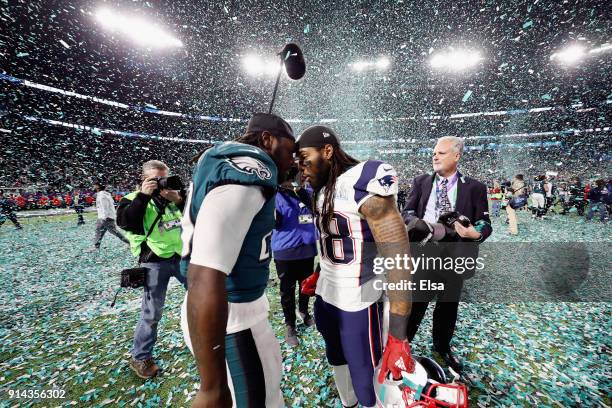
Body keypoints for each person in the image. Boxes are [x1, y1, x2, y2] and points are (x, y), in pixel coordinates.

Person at [180, 113, 296, 408]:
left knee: (270, 396)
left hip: (228, 311)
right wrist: (211, 387)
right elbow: (204, 273)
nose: (293, 160)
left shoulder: (231, 162)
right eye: (290, 149)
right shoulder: (252, 168)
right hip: (232, 317)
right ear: (267, 140)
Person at [297, 126, 415, 408]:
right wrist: (320, 272)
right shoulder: (321, 188)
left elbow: (397, 252)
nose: (301, 167)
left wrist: (398, 333)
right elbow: (336, 238)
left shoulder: (363, 179)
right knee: (336, 357)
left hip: (357, 300)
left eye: (304, 158)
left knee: (367, 376)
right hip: (326, 296)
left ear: (327, 151)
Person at [402, 136, 492, 373]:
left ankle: (442, 346)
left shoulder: (475, 188)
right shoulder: (420, 182)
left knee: (448, 306)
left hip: (456, 256)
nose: (435, 156)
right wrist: (421, 224)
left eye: (441, 153)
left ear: (456, 156)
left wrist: (475, 233)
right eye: (434, 152)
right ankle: (402, 344)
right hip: (425, 254)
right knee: (416, 303)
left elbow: (485, 222)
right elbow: (407, 212)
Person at [116, 160, 186, 379]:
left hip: (182, 256)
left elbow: (197, 218)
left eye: (163, 178)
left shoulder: (172, 196)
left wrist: (180, 200)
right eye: (155, 179)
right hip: (154, 260)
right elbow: (128, 224)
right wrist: (144, 196)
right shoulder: (131, 199)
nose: (160, 183)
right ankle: (140, 357)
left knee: (203, 298)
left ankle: (211, 340)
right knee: (152, 313)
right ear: (143, 179)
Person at [271, 174, 317, 346]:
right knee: (287, 291)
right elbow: (273, 222)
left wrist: (300, 192)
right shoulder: (274, 195)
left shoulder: (309, 191)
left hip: (307, 248)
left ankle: (304, 311)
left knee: (306, 286)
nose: (293, 181)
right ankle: (290, 324)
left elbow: (316, 209)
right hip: (285, 250)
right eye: (288, 178)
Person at [93, 181, 129, 249]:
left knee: (115, 232)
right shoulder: (106, 194)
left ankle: (129, 243)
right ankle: (96, 246)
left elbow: (105, 207)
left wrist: (104, 218)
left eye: (94, 185)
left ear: (98, 186)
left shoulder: (102, 196)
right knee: (99, 231)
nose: (93, 187)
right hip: (105, 217)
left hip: (105, 218)